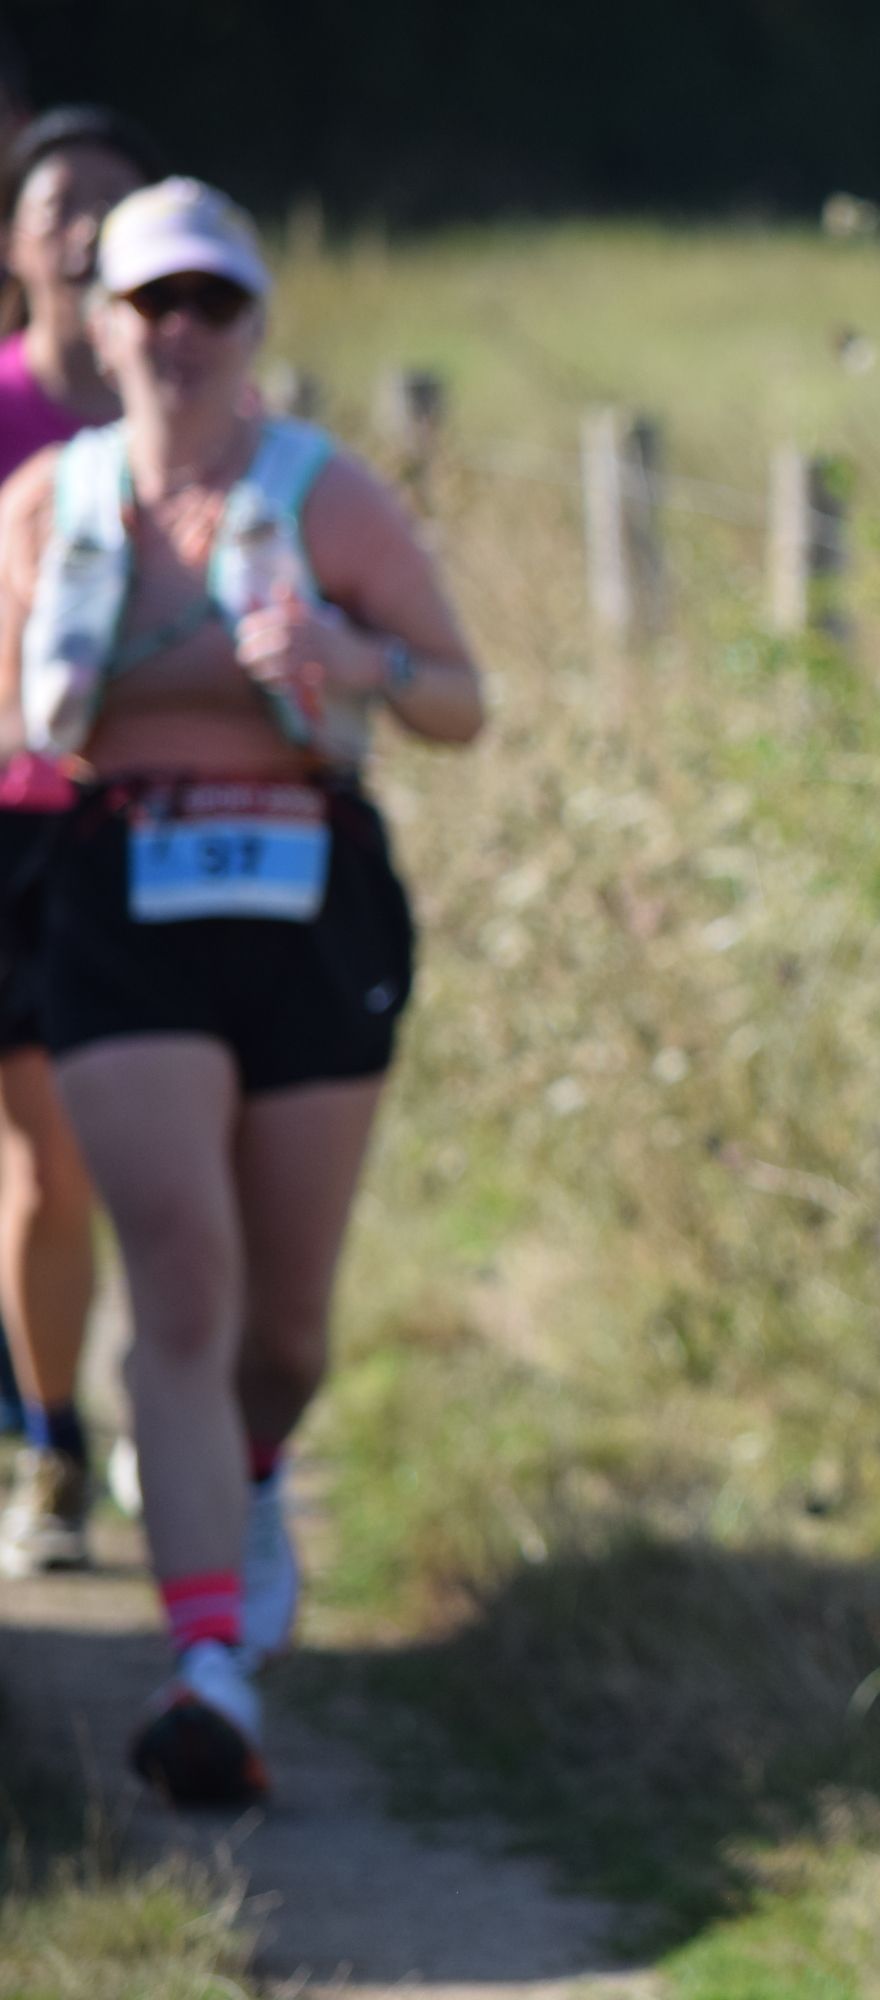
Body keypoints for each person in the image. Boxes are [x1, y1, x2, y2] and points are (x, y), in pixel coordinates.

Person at [0, 177, 486, 1805]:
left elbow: (461, 699)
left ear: (255, 321)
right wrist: (58, 699)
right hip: (117, 899)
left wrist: (359, 665)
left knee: (283, 1329)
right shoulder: (49, 505)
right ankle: (207, 1666)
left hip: (307, 906)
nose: (183, 331)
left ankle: (253, 1468)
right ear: (103, 323)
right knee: (182, 1279)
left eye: (213, 301)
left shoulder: (321, 495)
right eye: (154, 302)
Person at [0, 106, 163, 1578]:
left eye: (111, 205)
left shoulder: (192, 419)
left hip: (124, 828)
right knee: (38, 1164)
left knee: (70, 1161)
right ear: (14, 243)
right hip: (8, 822)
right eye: (56, 205)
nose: (82, 229)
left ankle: (70, 1438)